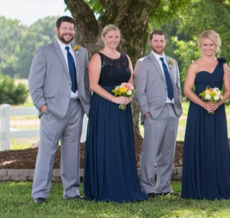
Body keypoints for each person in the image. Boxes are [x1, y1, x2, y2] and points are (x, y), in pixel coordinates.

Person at [28, 16, 91, 204]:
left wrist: (85, 104)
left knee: (72, 152)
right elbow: (34, 83)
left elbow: (86, 82)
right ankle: (40, 193)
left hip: (75, 108)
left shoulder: (82, 52)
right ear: (57, 30)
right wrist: (43, 106)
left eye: (71, 29)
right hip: (52, 110)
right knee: (47, 151)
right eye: (65, 29)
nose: (68, 32)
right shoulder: (45, 52)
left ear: (75, 31)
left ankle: (71, 191)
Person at [83, 25, 147, 202]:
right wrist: (114, 98)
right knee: (106, 144)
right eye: (110, 37)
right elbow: (93, 85)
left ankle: (124, 185)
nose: (114, 40)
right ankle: (105, 187)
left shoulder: (126, 58)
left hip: (123, 107)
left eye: (116, 37)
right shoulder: (97, 57)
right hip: (104, 107)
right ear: (103, 37)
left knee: (121, 144)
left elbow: (130, 78)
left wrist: (128, 91)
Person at [181, 31, 230, 200]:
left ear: (216, 46)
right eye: (205, 45)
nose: (208, 48)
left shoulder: (223, 65)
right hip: (198, 111)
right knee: (199, 145)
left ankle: (217, 187)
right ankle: (198, 188)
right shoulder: (195, 65)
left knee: (216, 146)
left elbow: (229, 89)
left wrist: (218, 103)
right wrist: (204, 104)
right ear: (200, 46)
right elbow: (187, 90)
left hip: (217, 112)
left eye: (211, 44)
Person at [134, 30, 183, 197]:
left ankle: (164, 187)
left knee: (168, 151)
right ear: (150, 42)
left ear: (165, 42)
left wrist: (178, 109)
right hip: (153, 113)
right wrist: (145, 112)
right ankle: (148, 187)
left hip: (172, 111)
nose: (159, 44)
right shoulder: (143, 63)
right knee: (150, 151)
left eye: (162, 40)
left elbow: (177, 86)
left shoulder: (172, 62)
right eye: (156, 41)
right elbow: (139, 91)